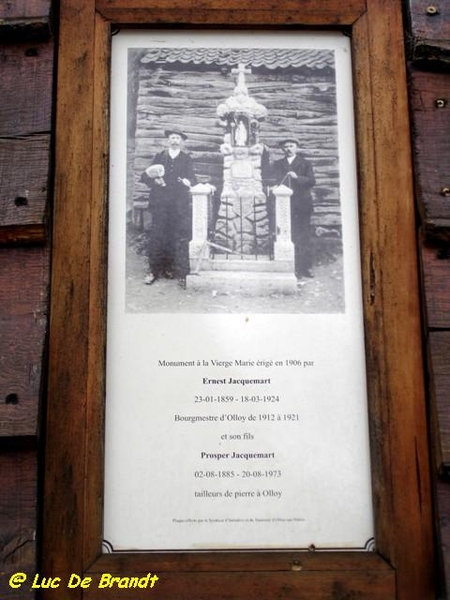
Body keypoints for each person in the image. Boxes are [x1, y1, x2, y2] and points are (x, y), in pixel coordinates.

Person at [141, 128, 196, 288]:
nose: (174, 140)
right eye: (172, 138)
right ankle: (153, 270)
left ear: (181, 141)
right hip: (160, 204)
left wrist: (188, 182)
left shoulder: (186, 159)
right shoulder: (160, 156)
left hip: (178, 205)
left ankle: (170, 268)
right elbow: (145, 176)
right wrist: (154, 182)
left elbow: (192, 177)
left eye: (177, 138)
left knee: (174, 236)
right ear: (168, 140)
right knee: (157, 236)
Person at [271, 138, 316, 279]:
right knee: (289, 235)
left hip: (302, 204)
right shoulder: (278, 164)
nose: (288, 149)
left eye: (291, 146)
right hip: (285, 204)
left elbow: (312, 181)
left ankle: (306, 267)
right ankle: (293, 267)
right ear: (282, 149)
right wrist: (273, 186)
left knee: (304, 235)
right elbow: (274, 180)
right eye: (286, 147)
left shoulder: (305, 163)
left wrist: (297, 177)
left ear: (296, 147)